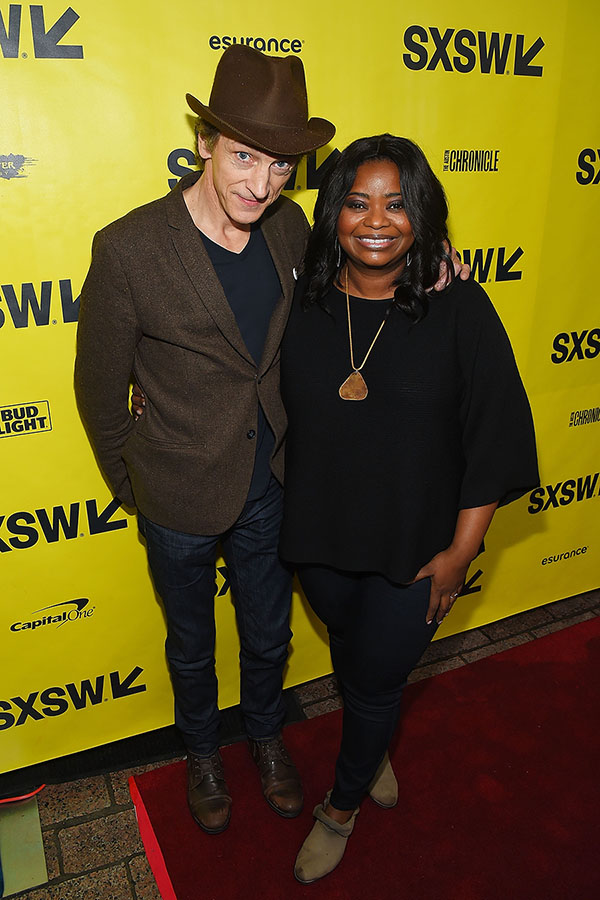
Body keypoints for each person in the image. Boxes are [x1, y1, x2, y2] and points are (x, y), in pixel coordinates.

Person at [75, 43, 336, 834]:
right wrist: (135, 486)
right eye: (246, 156)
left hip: (270, 484)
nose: (263, 183)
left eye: (282, 164)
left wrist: (432, 267)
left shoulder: (290, 229)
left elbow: (350, 289)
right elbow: (98, 389)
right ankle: (201, 754)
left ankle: (265, 738)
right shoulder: (128, 248)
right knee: (190, 646)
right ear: (204, 144)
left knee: (268, 636)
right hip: (176, 494)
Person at [278, 134, 539, 883]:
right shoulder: (306, 302)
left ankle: (342, 805)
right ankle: (374, 743)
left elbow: (495, 435)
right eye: (357, 203)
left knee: (376, 680)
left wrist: (460, 554)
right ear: (333, 213)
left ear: (422, 217)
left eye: (397, 205)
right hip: (320, 539)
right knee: (354, 658)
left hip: (417, 550)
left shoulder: (459, 308)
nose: (376, 221)